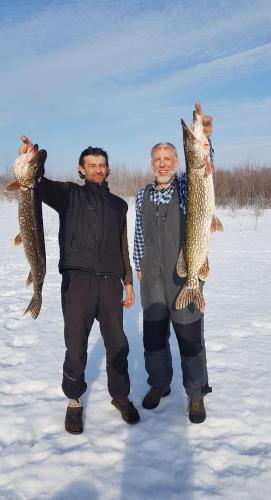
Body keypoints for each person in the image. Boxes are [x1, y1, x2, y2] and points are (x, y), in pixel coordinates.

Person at [19, 136, 140, 434]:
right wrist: (29, 160)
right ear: (81, 170)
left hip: (111, 283)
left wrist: (127, 280)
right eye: (92, 165)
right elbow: (36, 183)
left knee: (118, 344)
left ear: (107, 169)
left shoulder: (118, 205)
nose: (98, 170)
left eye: (102, 165)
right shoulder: (69, 195)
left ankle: (120, 396)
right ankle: (74, 400)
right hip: (78, 281)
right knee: (75, 344)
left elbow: (122, 245)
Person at [133, 103, 213, 424]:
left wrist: (205, 132)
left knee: (190, 336)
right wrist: (138, 266)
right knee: (153, 338)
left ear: (177, 162)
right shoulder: (142, 195)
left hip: (184, 274)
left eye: (168, 159)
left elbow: (203, 165)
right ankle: (159, 385)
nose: (163, 164)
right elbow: (139, 233)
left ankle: (195, 394)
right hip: (151, 278)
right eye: (158, 160)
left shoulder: (186, 184)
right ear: (152, 164)